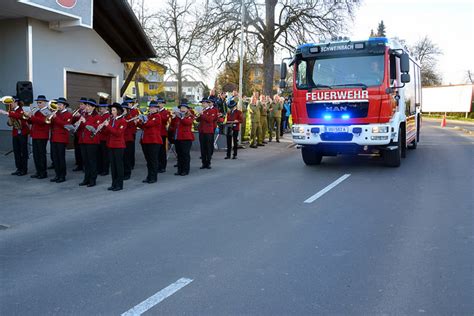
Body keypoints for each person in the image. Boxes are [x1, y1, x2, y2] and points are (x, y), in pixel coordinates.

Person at [0, 96, 29, 176]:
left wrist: (7, 113)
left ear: (15, 102)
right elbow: (10, 124)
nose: (9, 104)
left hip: (22, 133)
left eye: (11, 103)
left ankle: (24, 169)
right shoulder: (12, 111)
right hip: (16, 133)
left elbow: (19, 116)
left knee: (23, 152)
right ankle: (18, 168)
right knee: (16, 152)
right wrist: (9, 118)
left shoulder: (20, 110)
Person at [137, 100, 162, 184]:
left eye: (153, 108)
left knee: (153, 160)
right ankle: (149, 176)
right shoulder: (148, 116)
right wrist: (137, 122)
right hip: (145, 140)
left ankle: (153, 177)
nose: (151, 109)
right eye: (150, 107)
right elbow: (142, 126)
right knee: (148, 160)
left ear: (157, 109)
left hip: (154, 141)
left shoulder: (157, 116)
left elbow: (148, 124)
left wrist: (143, 120)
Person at [103, 102, 126, 191]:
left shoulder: (123, 121)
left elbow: (118, 133)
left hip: (119, 146)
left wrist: (107, 126)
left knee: (118, 165)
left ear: (118, 111)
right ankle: (113, 183)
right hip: (111, 145)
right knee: (113, 166)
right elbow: (107, 133)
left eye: (113, 110)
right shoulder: (112, 120)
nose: (111, 112)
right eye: (111, 110)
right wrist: (104, 126)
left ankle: (119, 185)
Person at [48, 97, 72, 183]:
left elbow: (65, 125)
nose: (58, 106)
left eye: (60, 104)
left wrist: (55, 118)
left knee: (61, 158)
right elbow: (51, 125)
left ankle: (62, 175)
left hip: (61, 139)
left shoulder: (68, 114)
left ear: (64, 106)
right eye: (57, 104)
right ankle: (57, 174)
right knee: (55, 158)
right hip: (54, 138)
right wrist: (50, 118)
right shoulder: (56, 113)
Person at [78, 98, 101, 187]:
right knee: (85, 161)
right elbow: (81, 128)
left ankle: (93, 180)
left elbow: (95, 128)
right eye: (86, 106)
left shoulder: (97, 117)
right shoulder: (85, 115)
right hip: (83, 141)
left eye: (88, 106)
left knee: (92, 161)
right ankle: (86, 179)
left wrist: (85, 122)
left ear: (93, 107)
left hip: (92, 141)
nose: (86, 108)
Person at [27, 95, 50, 179]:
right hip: (35, 135)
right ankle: (38, 171)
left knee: (41, 155)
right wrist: (28, 117)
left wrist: (32, 117)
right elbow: (31, 122)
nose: (38, 104)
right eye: (37, 102)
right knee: (36, 155)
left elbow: (42, 121)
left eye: (40, 102)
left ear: (44, 102)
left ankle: (43, 172)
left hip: (42, 136)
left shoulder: (47, 111)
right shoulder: (36, 111)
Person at [196, 97, 219, 169]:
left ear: (208, 104)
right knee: (202, 147)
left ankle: (208, 162)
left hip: (208, 131)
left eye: (204, 103)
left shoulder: (212, 111)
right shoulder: (202, 111)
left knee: (208, 147)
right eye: (202, 103)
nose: (203, 104)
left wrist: (202, 114)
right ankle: (203, 162)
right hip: (202, 131)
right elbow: (197, 120)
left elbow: (210, 120)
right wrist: (198, 115)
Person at [174, 100, 194, 176]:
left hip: (186, 138)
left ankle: (185, 170)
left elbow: (187, 123)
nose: (182, 109)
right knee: (179, 155)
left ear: (187, 109)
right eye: (181, 107)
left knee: (185, 154)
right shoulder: (178, 117)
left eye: (184, 107)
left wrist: (181, 117)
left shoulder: (190, 116)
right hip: (178, 138)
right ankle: (179, 169)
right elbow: (174, 125)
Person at [72, 97, 87, 172]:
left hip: (83, 134)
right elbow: (72, 121)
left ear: (85, 105)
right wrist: (74, 117)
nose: (80, 106)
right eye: (80, 104)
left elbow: (86, 121)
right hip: (77, 133)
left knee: (83, 151)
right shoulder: (78, 111)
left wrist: (80, 116)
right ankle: (79, 164)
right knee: (77, 150)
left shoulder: (86, 112)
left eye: (81, 104)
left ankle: (84, 165)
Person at [122, 102, 137, 180]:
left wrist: (132, 121)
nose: (123, 111)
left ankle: (127, 173)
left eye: (124, 109)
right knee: (122, 157)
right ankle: (122, 172)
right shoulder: (120, 117)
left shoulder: (130, 117)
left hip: (128, 139)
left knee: (127, 157)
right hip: (121, 139)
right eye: (122, 109)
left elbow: (132, 128)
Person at [96, 99, 110, 176]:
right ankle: (100, 168)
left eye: (101, 108)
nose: (99, 110)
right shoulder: (100, 115)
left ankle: (105, 170)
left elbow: (107, 128)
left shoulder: (108, 116)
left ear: (105, 108)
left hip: (105, 138)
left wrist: (100, 130)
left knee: (105, 155)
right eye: (99, 108)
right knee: (100, 155)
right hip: (99, 138)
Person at [157, 98, 170, 173]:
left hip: (162, 133)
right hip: (156, 133)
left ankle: (163, 166)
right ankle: (158, 165)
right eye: (158, 103)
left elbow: (165, 120)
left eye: (161, 103)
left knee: (162, 151)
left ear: (163, 104)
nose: (159, 105)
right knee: (157, 151)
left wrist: (158, 114)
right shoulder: (156, 111)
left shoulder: (166, 112)